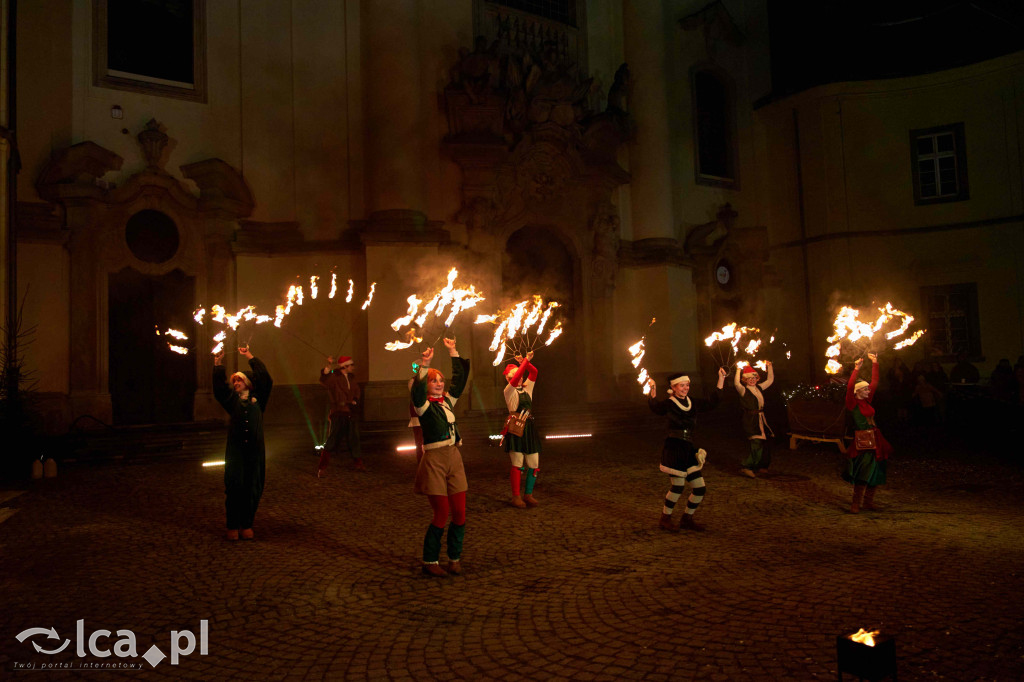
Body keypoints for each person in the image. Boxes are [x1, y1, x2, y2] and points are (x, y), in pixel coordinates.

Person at [411, 338, 470, 577]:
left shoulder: (447, 401)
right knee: (442, 513)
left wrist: (453, 350)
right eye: (433, 380)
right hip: (434, 459)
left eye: (440, 380)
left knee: (460, 512)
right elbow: (416, 391)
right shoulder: (423, 406)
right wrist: (425, 364)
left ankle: (454, 558)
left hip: (454, 456)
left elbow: (460, 381)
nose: (438, 383)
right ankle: (430, 561)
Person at [647, 367, 727, 532]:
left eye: (687, 385)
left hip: (688, 448)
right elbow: (656, 407)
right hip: (674, 448)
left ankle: (687, 518)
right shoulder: (669, 403)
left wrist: (721, 378)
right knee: (678, 486)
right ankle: (665, 518)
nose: (685, 388)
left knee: (700, 488)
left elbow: (712, 402)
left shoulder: (692, 402)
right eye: (681, 385)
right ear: (674, 387)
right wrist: (652, 390)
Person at [213, 345, 273, 540]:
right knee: (234, 485)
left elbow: (265, 379)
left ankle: (246, 524)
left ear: (248, 383)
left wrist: (249, 355)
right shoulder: (232, 400)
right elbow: (220, 389)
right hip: (236, 451)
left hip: (255, 451)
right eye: (235, 380)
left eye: (240, 379)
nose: (236, 382)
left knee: (253, 486)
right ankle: (232, 525)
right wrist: (218, 363)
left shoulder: (259, 399)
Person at [843, 353, 892, 513]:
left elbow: (875, 381)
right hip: (863, 440)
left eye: (867, 389)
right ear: (857, 392)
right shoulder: (853, 403)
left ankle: (868, 502)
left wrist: (875, 362)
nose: (868, 391)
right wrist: (856, 368)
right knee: (864, 471)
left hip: (876, 438)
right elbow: (850, 387)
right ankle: (855, 503)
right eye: (864, 389)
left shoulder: (867, 401)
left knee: (876, 470)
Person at [503, 351, 540, 508]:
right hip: (516, 427)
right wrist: (524, 361)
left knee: (534, 463)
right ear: (508, 379)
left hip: (529, 428)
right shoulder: (508, 390)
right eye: (512, 377)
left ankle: (528, 494)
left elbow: (534, 372)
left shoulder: (527, 389)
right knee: (517, 462)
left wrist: (526, 362)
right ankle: (516, 496)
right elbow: (518, 377)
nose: (516, 379)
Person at [317, 355, 362, 477]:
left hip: (350, 412)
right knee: (332, 439)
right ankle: (322, 467)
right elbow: (324, 378)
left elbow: (357, 390)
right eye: (351, 365)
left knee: (354, 438)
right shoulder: (334, 378)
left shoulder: (352, 379)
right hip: (339, 412)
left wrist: (355, 400)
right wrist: (329, 365)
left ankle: (358, 463)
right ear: (345, 366)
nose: (353, 367)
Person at [734, 362, 775, 478]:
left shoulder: (759, 388)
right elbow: (736, 383)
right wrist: (738, 369)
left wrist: (769, 367)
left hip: (761, 419)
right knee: (756, 442)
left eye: (754, 378)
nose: (752, 380)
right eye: (749, 378)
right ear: (745, 380)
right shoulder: (743, 390)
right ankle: (746, 466)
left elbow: (770, 380)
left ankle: (761, 466)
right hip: (750, 420)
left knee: (765, 442)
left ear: (757, 378)